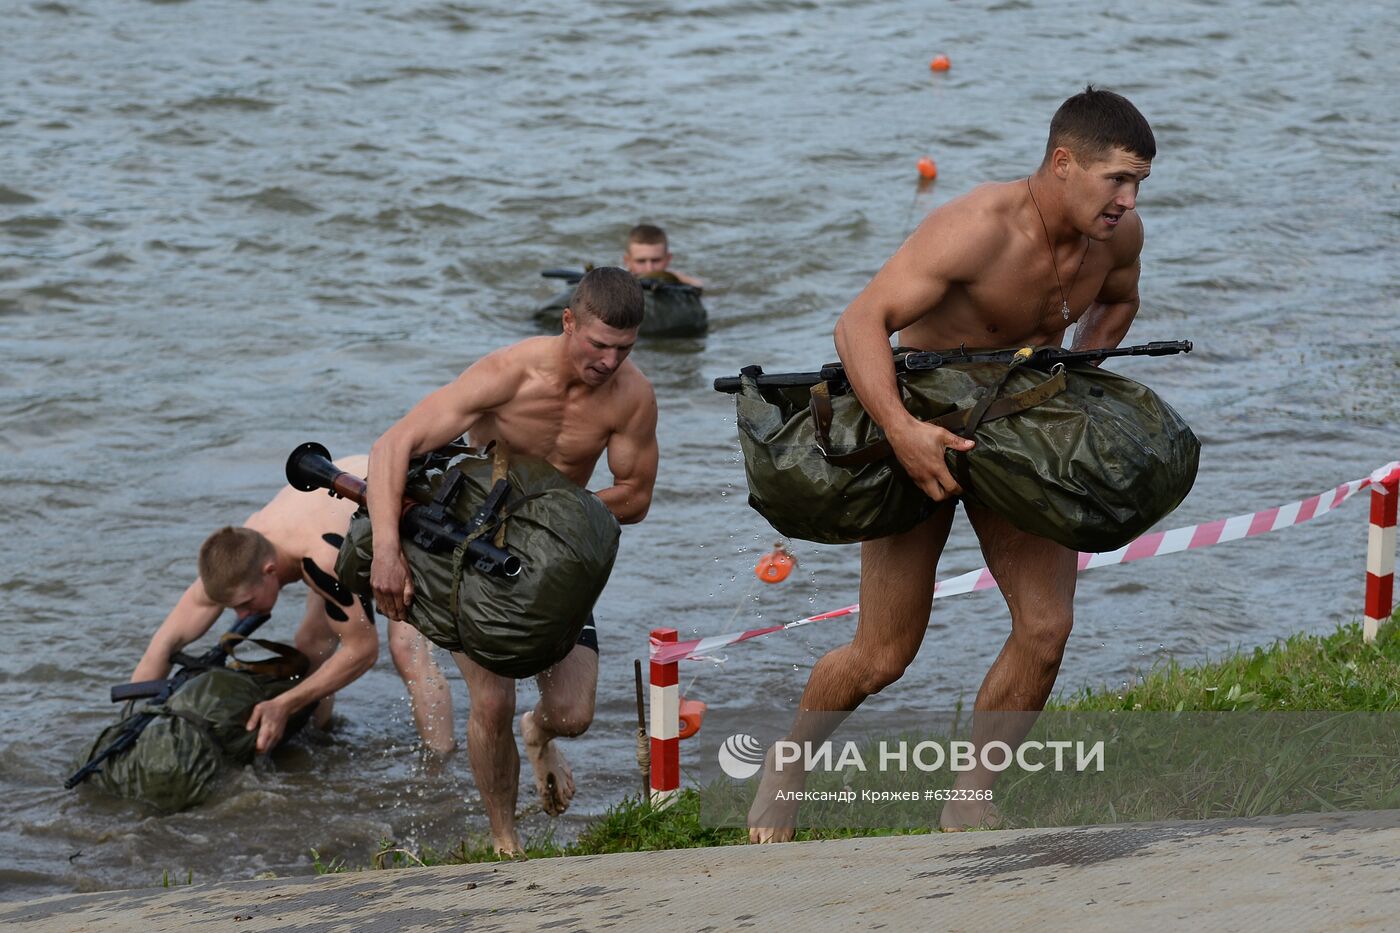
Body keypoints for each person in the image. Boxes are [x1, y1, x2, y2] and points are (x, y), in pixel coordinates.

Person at [748, 86, 1156, 841]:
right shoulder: (974, 229)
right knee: (883, 652)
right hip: (925, 424)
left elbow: (1121, 300)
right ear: (1063, 163)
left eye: (1139, 184)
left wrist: (1072, 376)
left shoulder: (1118, 237)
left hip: (1020, 429)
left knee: (1046, 626)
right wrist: (901, 430)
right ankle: (789, 760)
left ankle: (969, 796)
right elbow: (859, 322)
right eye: (1117, 180)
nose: (1128, 201)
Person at [367, 266, 659, 855]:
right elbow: (392, 446)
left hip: (552, 563)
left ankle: (540, 736)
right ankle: (506, 840)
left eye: (623, 350)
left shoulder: (632, 398)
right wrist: (386, 552)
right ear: (568, 321)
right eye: (598, 344)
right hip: (471, 557)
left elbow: (635, 496)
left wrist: (542, 523)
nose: (608, 361)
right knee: (493, 700)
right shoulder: (507, 374)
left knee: (573, 714)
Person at [132, 455, 456, 756]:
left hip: (406, 510)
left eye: (245, 604)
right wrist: (133, 731)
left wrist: (284, 703)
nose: (242, 617)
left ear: (269, 572)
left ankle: (440, 762)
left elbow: (362, 652)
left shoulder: (321, 562)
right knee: (311, 644)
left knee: (406, 650)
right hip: (344, 518)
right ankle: (321, 738)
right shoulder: (238, 554)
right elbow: (161, 648)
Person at [623, 223, 703, 289]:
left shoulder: (679, 280)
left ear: (668, 259)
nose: (649, 269)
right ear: (627, 261)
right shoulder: (620, 282)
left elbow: (701, 287)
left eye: (656, 260)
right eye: (641, 261)